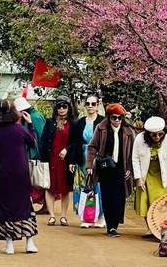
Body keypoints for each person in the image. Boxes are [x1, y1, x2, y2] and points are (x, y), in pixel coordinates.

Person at [0, 99, 39, 255]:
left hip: (1, 176)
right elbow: (34, 142)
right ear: (14, 112)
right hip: (21, 175)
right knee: (25, 205)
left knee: (4, 207)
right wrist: (31, 125)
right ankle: (30, 242)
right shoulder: (20, 130)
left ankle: (9, 244)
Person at [132, 115, 167, 238]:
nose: (157, 137)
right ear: (148, 134)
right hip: (146, 176)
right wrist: (138, 178)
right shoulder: (139, 139)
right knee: (146, 203)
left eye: (160, 134)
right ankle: (150, 229)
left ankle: (162, 229)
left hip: (162, 177)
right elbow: (135, 158)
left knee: (164, 204)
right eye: (153, 135)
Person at [86, 103, 135, 237]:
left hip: (122, 168)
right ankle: (111, 227)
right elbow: (92, 147)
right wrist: (89, 166)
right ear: (109, 117)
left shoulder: (128, 131)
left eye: (120, 118)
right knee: (107, 197)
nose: (117, 120)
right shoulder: (101, 128)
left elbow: (132, 153)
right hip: (105, 168)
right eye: (114, 117)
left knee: (119, 197)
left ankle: (116, 222)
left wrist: (130, 168)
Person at [39, 95, 76, 226]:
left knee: (66, 188)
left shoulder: (73, 123)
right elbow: (43, 141)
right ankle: (52, 216)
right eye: (59, 106)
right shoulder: (50, 122)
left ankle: (64, 216)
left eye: (64, 106)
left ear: (68, 108)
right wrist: (41, 158)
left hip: (66, 161)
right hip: (51, 159)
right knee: (49, 187)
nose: (61, 109)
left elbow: (75, 142)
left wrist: (67, 150)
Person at [68, 94, 105, 229]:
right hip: (81, 158)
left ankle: (100, 217)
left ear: (97, 106)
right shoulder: (80, 122)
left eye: (93, 104)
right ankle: (86, 216)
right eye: (88, 104)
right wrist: (72, 161)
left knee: (98, 188)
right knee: (83, 187)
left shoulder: (102, 122)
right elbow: (75, 142)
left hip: (97, 158)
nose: (90, 106)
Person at [14, 96, 48, 214]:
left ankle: (45, 205)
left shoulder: (34, 117)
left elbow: (40, 136)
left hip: (35, 153)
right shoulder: (29, 117)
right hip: (30, 152)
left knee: (38, 179)